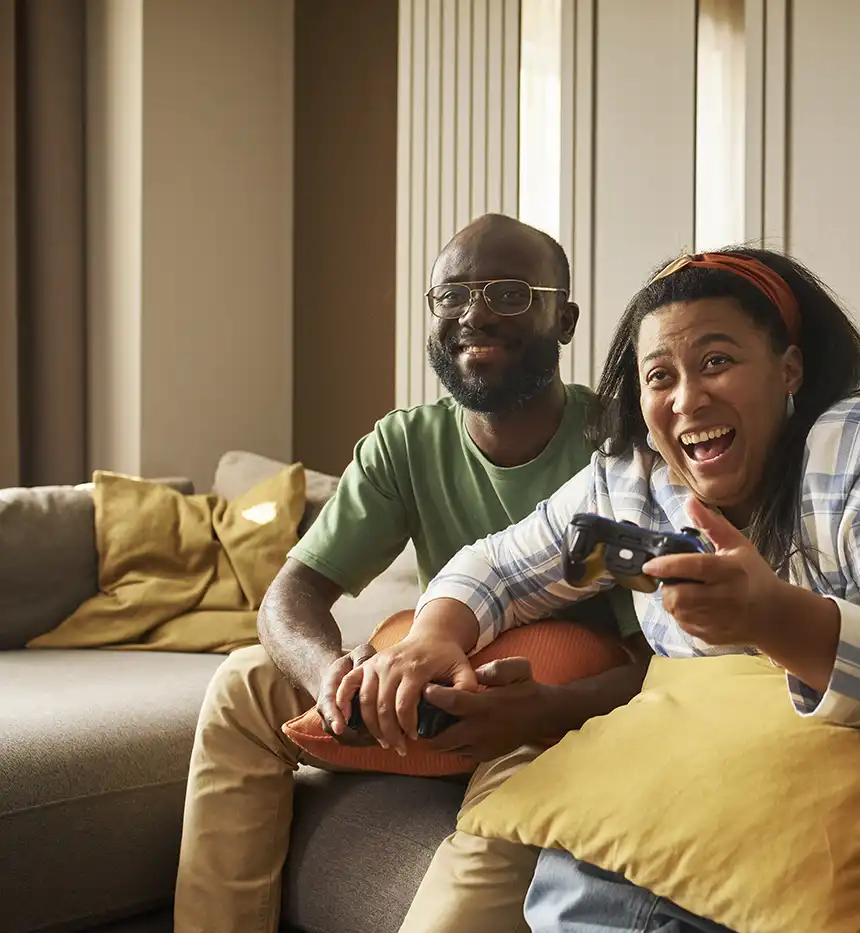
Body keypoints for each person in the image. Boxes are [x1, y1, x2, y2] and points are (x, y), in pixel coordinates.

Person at [340, 247, 860, 932]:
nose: (687, 399)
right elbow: (499, 567)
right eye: (659, 376)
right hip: (758, 780)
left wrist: (777, 617)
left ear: (789, 370)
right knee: (577, 891)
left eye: (716, 362)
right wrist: (435, 634)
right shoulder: (634, 478)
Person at [172, 214, 648, 933]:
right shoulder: (405, 442)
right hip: (428, 686)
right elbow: (290, 596)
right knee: (245, 681)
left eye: (510, 293)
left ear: (566, 318)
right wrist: (331, 674)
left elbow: (664, 667)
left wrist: (545, 709)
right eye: (451, 294)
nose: (474, 312)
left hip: (549, 714)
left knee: (535, 761)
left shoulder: (619, 450)